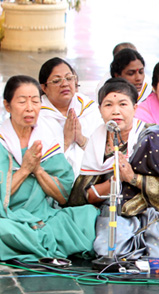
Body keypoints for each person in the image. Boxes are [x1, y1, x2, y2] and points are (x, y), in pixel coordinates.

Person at [68, 78, 159, 261]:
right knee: (108, 251)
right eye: (108, 105)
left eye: (123, 104)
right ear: (100, 110)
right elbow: (84, 191)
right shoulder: (98, 140)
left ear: (135, 108)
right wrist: (113, 182)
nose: (116, 111)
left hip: (154, 212)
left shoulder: (152, 138)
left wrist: (133, 178)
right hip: (115, 210)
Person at [0, 76, 98, 262]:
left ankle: (31, 243)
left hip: (44, 215)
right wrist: (24, 170)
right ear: (7, 106)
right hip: (8, 217)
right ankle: (40, 242)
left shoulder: (46, 140)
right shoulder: (2, 143)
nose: (30, 108)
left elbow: (62, 195)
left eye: (35, 101)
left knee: (89, 215)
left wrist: (37, 170)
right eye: (22, 101)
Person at [38, 58, 103, 177]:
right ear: (44, 88)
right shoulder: (38, 115)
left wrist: (81, 140)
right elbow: (38, 164)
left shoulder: (89, 108)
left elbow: (104, 152)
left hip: (92, 180)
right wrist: (66, 142)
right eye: (57, 80)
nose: (65, 84)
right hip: (54, 183)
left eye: (69, 78)